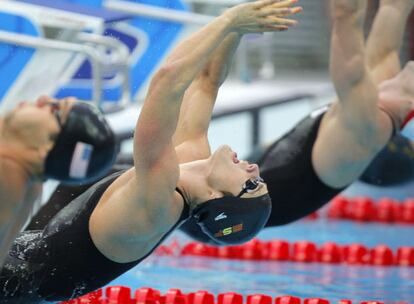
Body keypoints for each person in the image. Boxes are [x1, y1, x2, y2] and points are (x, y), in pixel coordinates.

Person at [0, 1, 301, 302]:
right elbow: (206, 80)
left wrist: (228, 20)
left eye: (250, 185)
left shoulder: (158, 206)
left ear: (215, 198)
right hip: (21, 252)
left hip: (12, 284)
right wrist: (239, 26)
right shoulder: (190, 158)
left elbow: (167, 80)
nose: (255, 170)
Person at [179, 0, 414, 242]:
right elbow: (394, 8)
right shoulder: (381, 89)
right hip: (228, 197)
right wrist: (237, 23)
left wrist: (232, 23)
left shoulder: (365, 128)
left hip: (217, 219)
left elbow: (347, 14)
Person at [0, 95, 117, 266]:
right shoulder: (28, 187)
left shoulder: (7, 174)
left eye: (54, 109)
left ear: (47, 146)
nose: (42, 99)